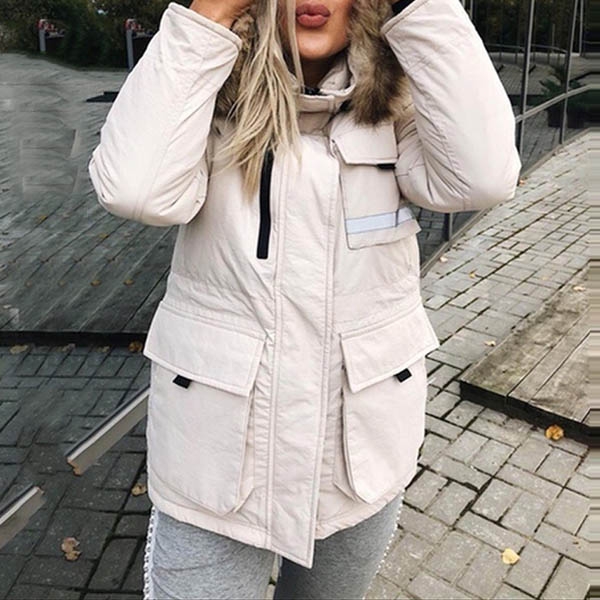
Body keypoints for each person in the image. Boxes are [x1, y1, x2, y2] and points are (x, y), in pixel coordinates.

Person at [88, 0, 522, 597]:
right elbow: (136, 190)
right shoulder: (208, 97)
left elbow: (484, 177)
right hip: (216, 460)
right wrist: (208, 18)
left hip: (358, 452)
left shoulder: (396, 108)